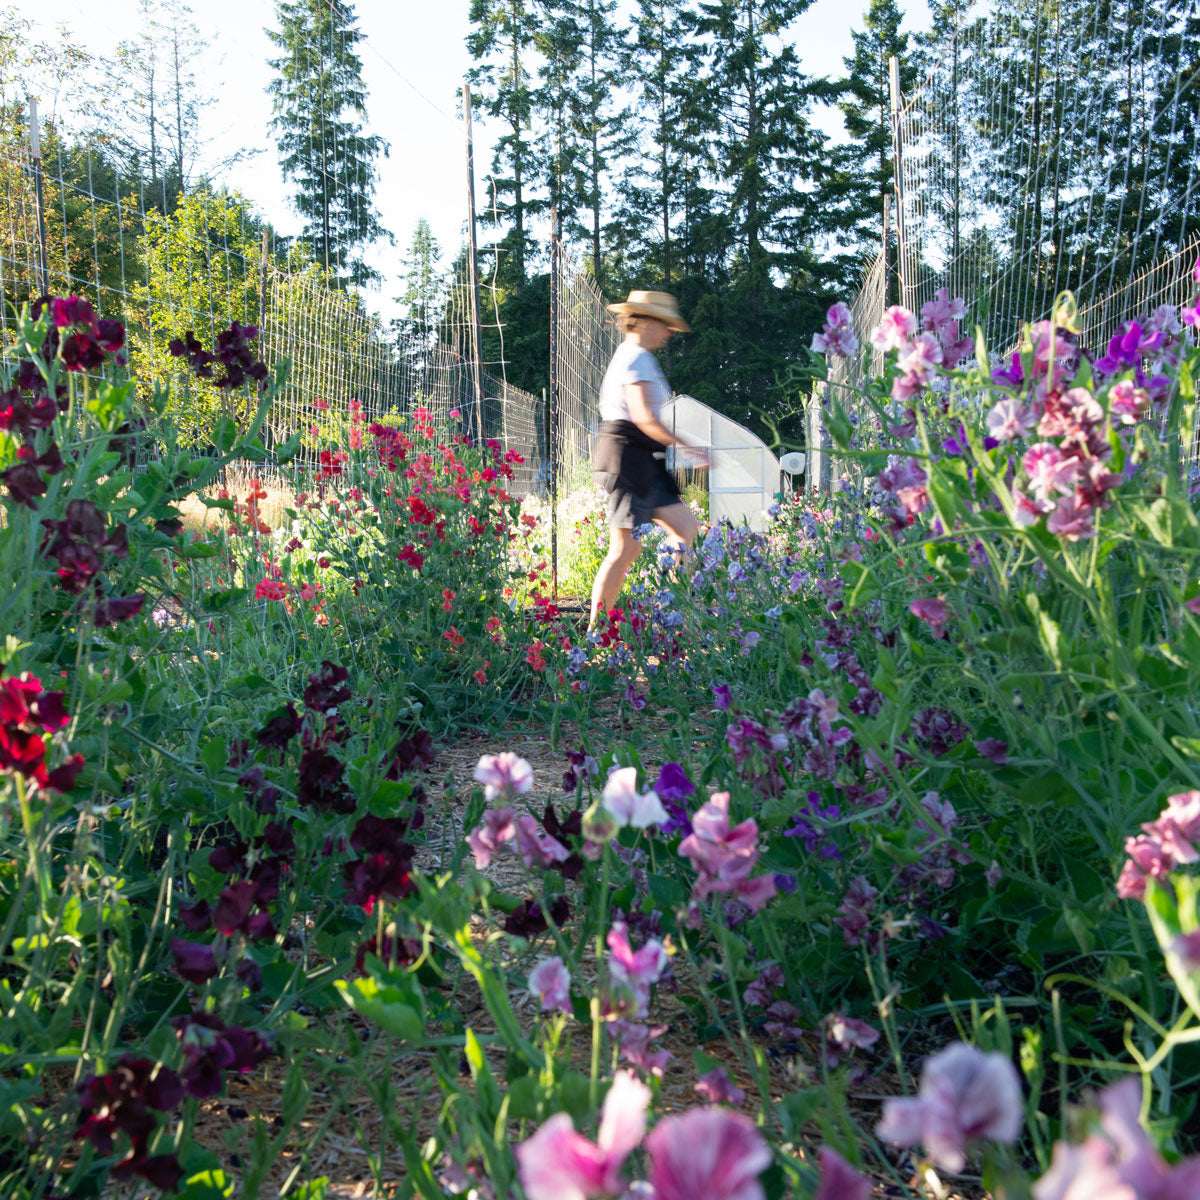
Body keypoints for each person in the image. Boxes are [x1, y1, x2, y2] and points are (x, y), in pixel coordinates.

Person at [589, 290, 709, 629]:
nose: (669, 332)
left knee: (685, 530)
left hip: (643, 460)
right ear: (642, 320)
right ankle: (596, 634)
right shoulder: (635, 357)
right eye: (664, 324)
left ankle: (670, 618)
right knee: (624, 550)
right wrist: (689, 448)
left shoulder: (637, 356)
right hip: (627, 458)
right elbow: (644, 418)